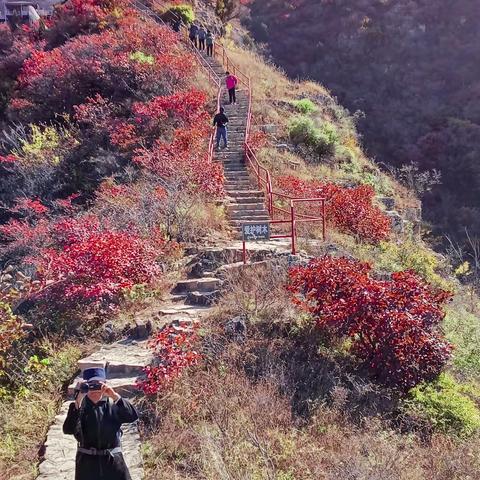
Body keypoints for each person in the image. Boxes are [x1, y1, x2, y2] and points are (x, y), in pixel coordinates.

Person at [63, 367, 139, 480]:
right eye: (91, 385)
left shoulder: (113, 405)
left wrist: (114, 396)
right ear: (84, 386)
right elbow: (68, 429)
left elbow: (132, 416)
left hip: (113, 462)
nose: (95, 389)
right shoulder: (79, 408)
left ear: (105, 385)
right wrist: (78, 401)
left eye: (99, 385)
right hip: (87, 465)